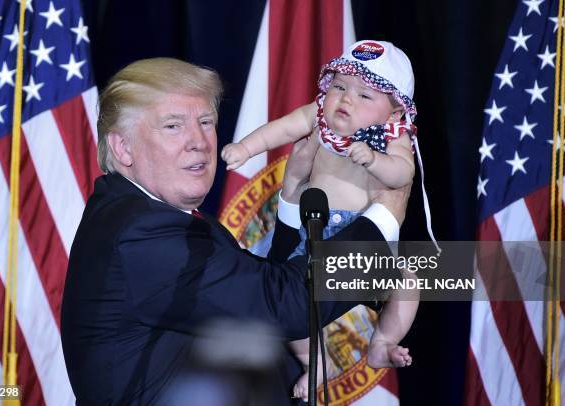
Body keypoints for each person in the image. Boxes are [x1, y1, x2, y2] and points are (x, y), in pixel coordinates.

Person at [60, 57, 413, 405]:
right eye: (173, 126)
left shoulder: (167, 218)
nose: (199, 141)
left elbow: (263, 290)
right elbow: (287, 307)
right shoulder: (141, 233)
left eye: (205, 121)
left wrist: (290, 197)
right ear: (123, 148)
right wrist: (386, 215)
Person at [222, 40, 421, 400]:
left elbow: (402, 174)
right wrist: (246, 148)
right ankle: (314, 360)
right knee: (281, 291)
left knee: (408, 280)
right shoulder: (319, 116)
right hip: (310, 227)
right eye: (340, 87)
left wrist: (375, 161)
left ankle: (384, 341)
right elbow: (281, 129)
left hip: (358, 233)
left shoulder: (394, 137)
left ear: (394, 113)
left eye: (365, 95)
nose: (346, 99)